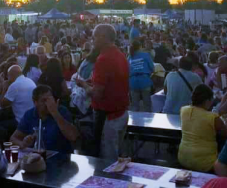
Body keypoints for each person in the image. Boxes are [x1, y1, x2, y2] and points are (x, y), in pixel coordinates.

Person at [77, 24, 129, 164]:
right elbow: (111, 81)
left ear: (103, 37)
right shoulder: (120, 54)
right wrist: (91, 81)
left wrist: (83, 84)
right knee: (116, 157)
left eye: (94, 37)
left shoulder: (103, 59)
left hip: (108, 117)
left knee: (107, 161)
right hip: (121, 113)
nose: (92, 40)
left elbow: (97, 94)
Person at [10, 85, 79, 153]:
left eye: (50, 99)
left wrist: (55, 113)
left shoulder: (62, 111)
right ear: (35, 102)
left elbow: (73, 136)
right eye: (44, 100)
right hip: (38, 157)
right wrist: (23, 144)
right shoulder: (30, 115)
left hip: (61, 158)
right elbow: (13, 139)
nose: (48, 103)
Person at [178, 84, 227, 172]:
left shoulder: (183, 110)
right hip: (206, 163)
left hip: (183, 158)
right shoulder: (212, 117)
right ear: (207, 100)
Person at [128, 40, 154, 112]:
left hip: (133, 82)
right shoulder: (146, 55)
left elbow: (127, 70)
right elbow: (152, 68)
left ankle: (134, 122)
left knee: (134, 106)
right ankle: (148, 122)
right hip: (145, 81)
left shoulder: (129, 57)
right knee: (147, 105)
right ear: (140, 47)